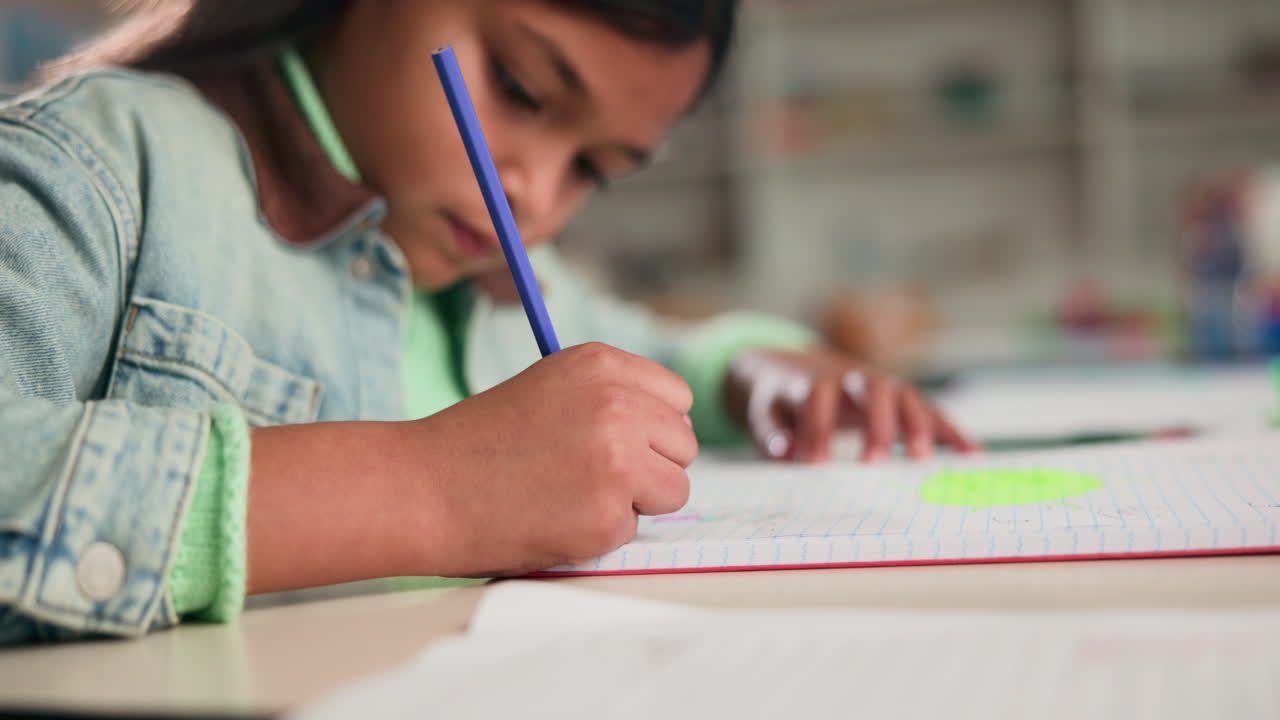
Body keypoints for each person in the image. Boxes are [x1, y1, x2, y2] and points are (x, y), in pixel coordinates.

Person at [0, 0, 977, 643]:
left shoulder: (497, 276)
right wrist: (431, 490)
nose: (539, 195)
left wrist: (753, 373)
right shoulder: (100, 170)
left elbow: (644, 345)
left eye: (594, 168)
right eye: (521, 90)